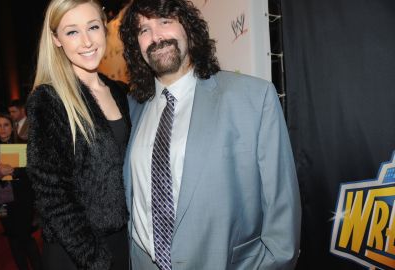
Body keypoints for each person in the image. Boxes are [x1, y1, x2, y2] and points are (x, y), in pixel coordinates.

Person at [119, 0, 302, 269]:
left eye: (165, 21)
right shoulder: (132, 109)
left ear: (189, 29)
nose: (155, 36)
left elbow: (282, 211)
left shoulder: (252, 98)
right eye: (143, 30)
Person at [26, 0, 130, 269]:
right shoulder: (49, 100)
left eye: (93, 27)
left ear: (104, 28)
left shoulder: (119, 92)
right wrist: (94, 258)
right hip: (76, 254)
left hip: (124, 241)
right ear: (56, 39)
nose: (86, 41)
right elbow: (52, 194)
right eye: (72, 31)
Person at [0, 113, 41, 270]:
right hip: (3, 198)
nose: (2, 129)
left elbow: (33, 170)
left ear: (13, 127)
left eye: (6, 125)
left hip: (23, 196)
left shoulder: (24, 145)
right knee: (12, 236)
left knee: (24, 236)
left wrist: (13, 171)